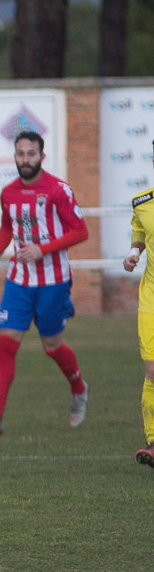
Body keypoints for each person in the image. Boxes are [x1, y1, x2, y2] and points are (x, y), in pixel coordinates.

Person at [0, 130, 89, 436]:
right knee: (6, 343)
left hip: (53, 280)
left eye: (31, 154)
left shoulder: (57, 191)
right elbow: (6, 227)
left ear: (42, 156)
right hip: (18, 281)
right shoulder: (8, 193)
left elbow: (80, 231)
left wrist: (42, 249)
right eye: (21, 154)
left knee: (51, 346)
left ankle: (79, 388)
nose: (26, 160)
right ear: (15, 156)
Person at [123, 152, 154, 466]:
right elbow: (140, 235)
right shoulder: (142, 203)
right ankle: (153, 440)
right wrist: (133, 253)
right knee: (153, 372)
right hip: (151, 302)